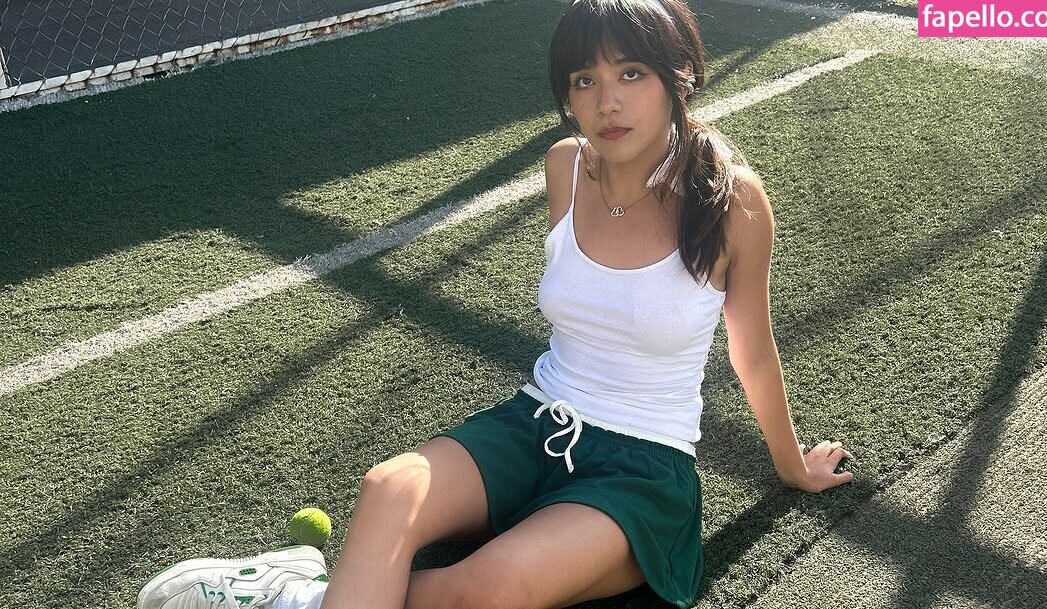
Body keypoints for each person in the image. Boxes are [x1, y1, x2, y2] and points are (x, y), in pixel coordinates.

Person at [136, 1, 855, 608]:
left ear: (680, 76)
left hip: (644, 467)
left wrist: (792, 466)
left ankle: (303, 595)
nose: (606, 101)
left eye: (631, 73)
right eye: (585, 79)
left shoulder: (732, 201)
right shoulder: (565, 166)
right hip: (538, 419)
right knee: (387, 488)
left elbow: (751, 351)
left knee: (486, 587)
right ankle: (304, 590)